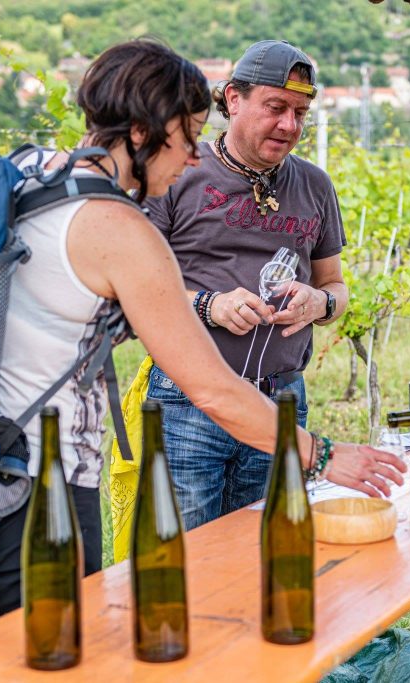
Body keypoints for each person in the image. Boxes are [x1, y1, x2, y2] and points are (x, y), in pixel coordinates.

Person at [0, 39, 405, 637]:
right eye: (188, 136)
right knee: (36, 651)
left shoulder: (32, 171)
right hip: (33, 474)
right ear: (141, 133)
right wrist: (325, 455)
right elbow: (212, 389)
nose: (196, 155)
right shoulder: (120, 228)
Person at [145, 40, 350, 530]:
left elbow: (336, 286)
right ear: (233, 99)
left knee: (267, 547)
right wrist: (208, 305)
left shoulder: (315, 185)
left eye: (300, 113)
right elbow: (139, 291)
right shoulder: (178, 175)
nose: (289, 125)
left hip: (282, 400)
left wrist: (318, 303)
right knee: (187, 552)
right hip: (189, 401)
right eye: (275, 107)